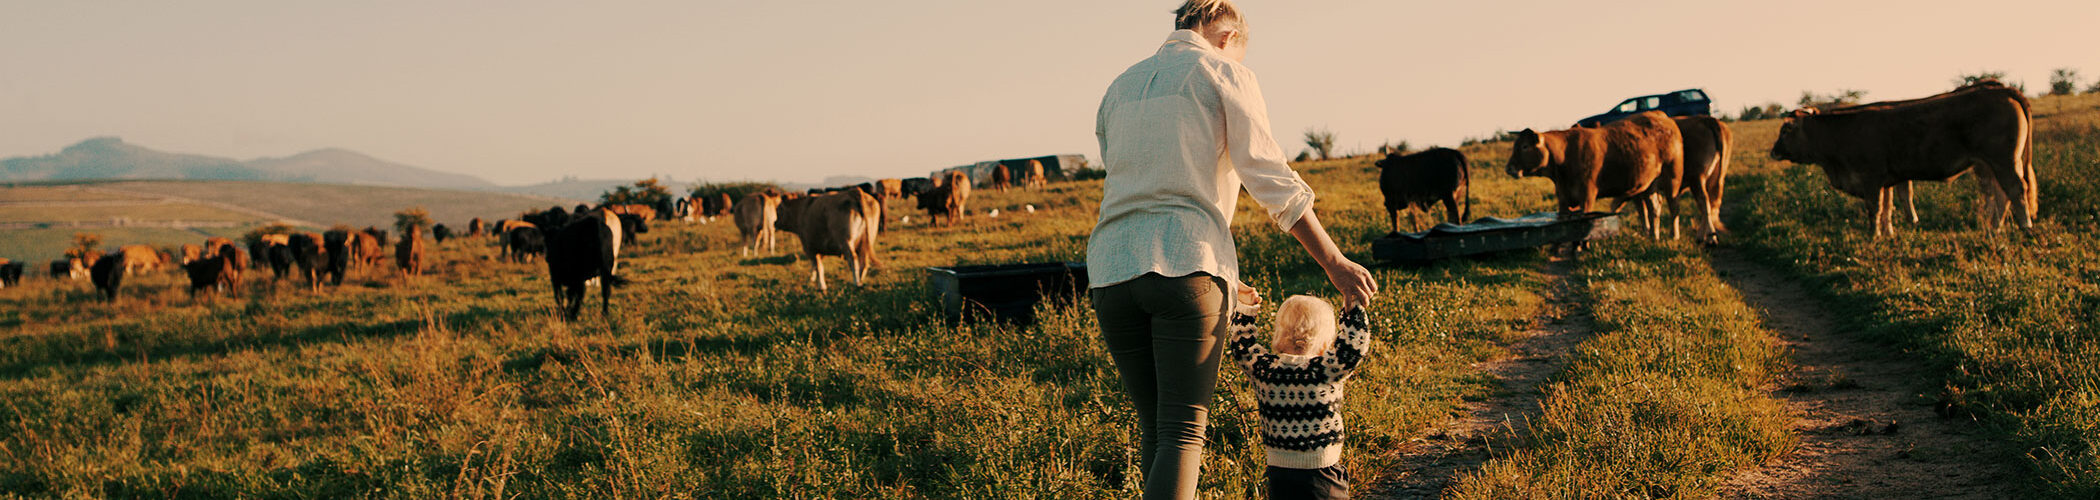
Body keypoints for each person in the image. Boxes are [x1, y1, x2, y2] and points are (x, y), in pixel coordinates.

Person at [1088, 0, 1378, 497]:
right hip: (1186, 262)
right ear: (1227, 37)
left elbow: (1132, 173)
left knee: (1156, 428)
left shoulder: (1120, 86)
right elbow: (1268, 176)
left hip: (1110, 269)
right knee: (1182, 430)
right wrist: (1334, 261)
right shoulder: (1222, 71)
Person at [1227, 288, 1371, 499]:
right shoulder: (1324, 370)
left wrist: (1247, 309)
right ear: (1324, 341)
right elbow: (1353, 345)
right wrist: (1353, 307)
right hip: (1322, 473)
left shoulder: (1265, 370)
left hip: (1279, 472)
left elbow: (1242, 346)